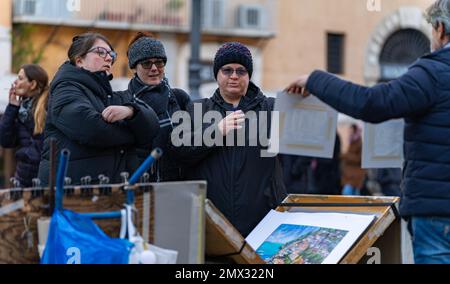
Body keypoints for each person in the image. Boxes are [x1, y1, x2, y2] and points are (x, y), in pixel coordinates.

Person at [285, 0, 450, 264]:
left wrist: (315, 80)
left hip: (438, 213)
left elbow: (371, 103)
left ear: (440, 28)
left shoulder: (433, 73)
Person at [175, 42, 286, 237]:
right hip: (211, 226)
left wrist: (303, 97)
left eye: (241, 71)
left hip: (263, 226)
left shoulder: (272, 109)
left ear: (248, 75)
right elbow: (180, 153)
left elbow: (309, 136)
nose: (234, 76)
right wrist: (216, 131)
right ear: (216, 74)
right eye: (227, 70)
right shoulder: (196, 110)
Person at [37, 32, 159, 185]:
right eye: (101, 52)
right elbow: (91, 128)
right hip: (72, 194)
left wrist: (131, 111)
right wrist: (134, 134)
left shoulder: (111, 96)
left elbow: (153, 126)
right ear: (79, 60)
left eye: (111, 54)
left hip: (108, 192)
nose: (109, 58)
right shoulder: (65, 88)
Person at [117, 32, 191, 182]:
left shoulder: (179, 98)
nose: (154, 68)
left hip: (177, 184)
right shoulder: (123, 102)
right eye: (146, 63)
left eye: (159, 62)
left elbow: (193, 143)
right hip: (138, 184)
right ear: (134, 67)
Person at [0, 64, 49, 187]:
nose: (15, 82)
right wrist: (12, 106)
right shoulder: (20, 110)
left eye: (20, 78)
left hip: (41, 178)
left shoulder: (48, 106)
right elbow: (5, 141)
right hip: (23, 176)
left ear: (32, 84)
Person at [340, 124, 366, 196]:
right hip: (349, 176)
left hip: (355, 177)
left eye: (351, 131)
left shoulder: (359, 144)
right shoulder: (351, 143)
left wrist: (345, 156)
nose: (349, 133)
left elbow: (359, 159)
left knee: (349, 195)